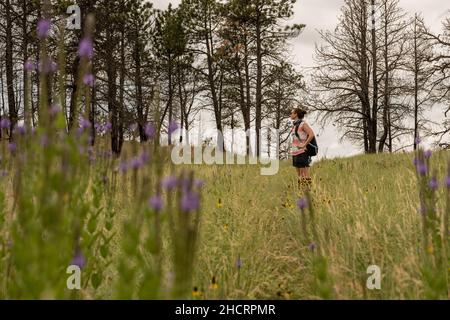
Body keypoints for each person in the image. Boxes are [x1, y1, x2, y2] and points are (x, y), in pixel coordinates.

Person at [290, 107, 315, 191]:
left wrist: (304, 144)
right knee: (299, 175)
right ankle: (301, 192)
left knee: (304, 174)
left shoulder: (303, 124)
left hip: (302, 152)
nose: (291, 114)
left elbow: (311, 134)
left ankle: (308, 192)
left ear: (296, 114)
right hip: (295, 152)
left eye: (292, 113)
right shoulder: (294, 125)